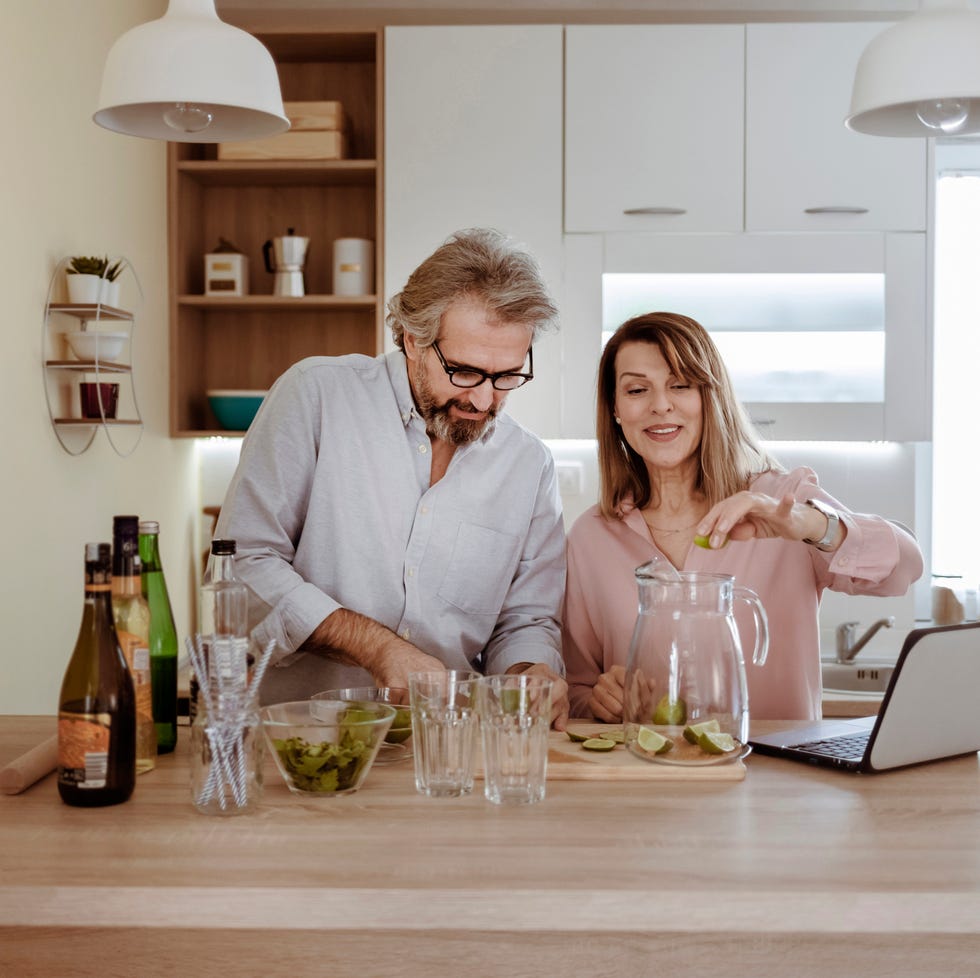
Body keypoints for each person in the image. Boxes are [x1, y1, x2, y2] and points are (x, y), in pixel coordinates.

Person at [216, 228, 569, 726]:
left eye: (507, 376)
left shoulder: (529, 465)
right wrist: (374, 646)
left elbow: (525, 619)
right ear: (412, 338)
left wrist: (531, 671)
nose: (485, 400)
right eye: (465, 372)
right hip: (297, 744)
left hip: (444, 749)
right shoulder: (315, 397)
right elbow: (244, 564)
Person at [563, 312, 923, 722]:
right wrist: (599, 700)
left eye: (680, 385)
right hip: (654, 778)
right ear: (615, 408)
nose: (660, 405)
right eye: (637, 389)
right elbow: (576, 687)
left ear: (709, 397)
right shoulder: (591, 538)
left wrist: (809, 525)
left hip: (780, 780)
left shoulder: (781, 504)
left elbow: (905, 568)